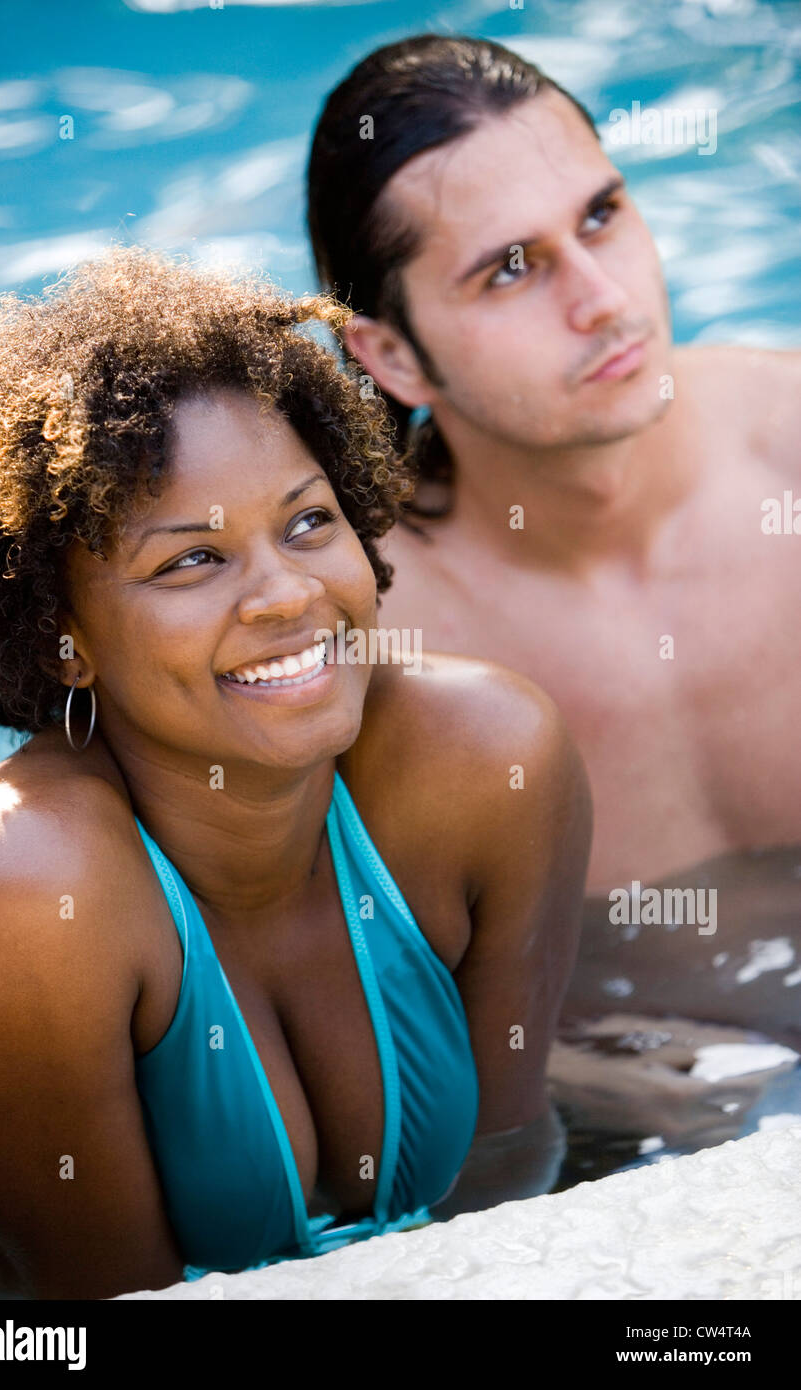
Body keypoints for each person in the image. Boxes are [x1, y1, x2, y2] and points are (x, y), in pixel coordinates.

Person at [0, 245, 591, 1299]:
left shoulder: (490, 762)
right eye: (190, 558)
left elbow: (508, 1166)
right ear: (66, 639)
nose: (286, 595)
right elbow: (88, 1319)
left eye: (306, 521)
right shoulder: (26, 894)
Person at [306, 35, 801, 1067]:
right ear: (391, 355)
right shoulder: (355, 640)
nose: (601, 298)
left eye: (601, 217)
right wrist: (570, 1089)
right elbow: (263, 1006)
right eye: (510, 269)